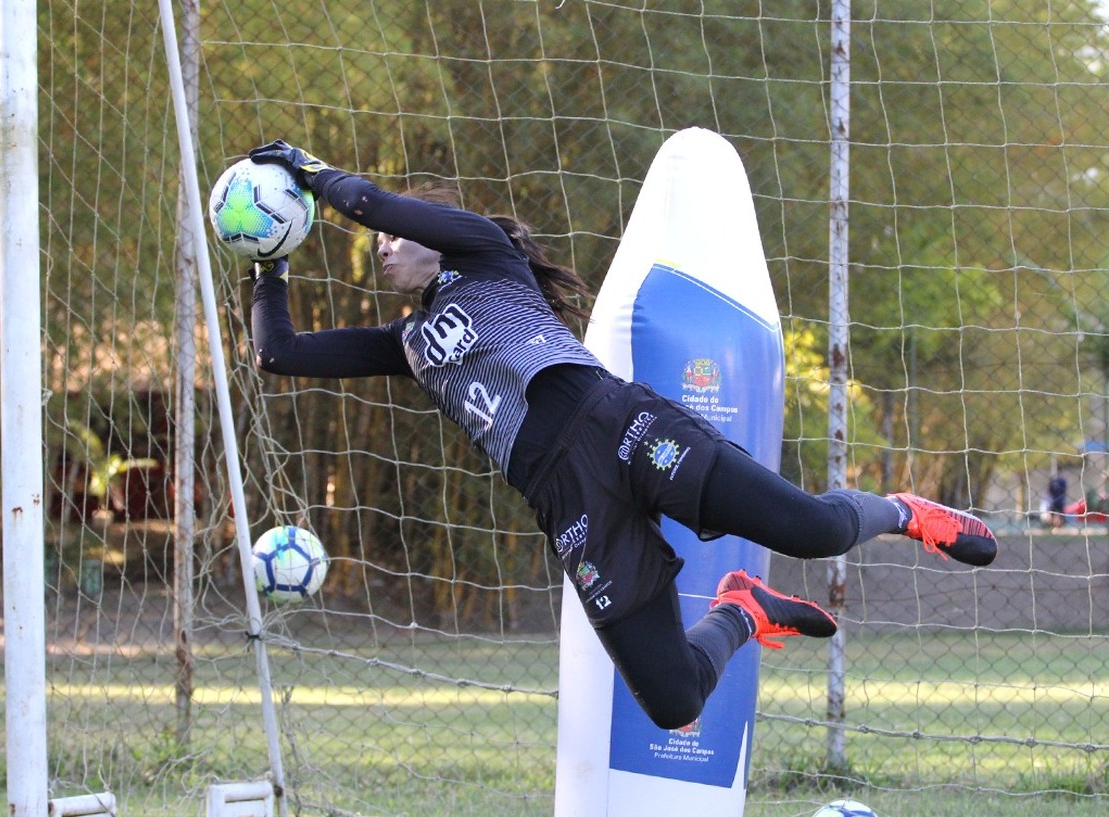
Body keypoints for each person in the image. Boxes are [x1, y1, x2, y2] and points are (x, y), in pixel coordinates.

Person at [245, 139, 998, 730]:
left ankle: (906, 512)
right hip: (566, 500)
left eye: (394, 236)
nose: (380, 246)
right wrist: (268, 263)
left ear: (429, 233)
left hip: (617, 427)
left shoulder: (484, 252)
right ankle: (743, 610)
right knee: (674, 701)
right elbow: (281, 353)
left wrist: (309, 174)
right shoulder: (406, 343)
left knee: (815, 530)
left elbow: (370, 203)